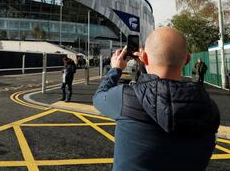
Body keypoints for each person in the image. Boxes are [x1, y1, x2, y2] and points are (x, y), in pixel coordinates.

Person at [93, 27, 219, 171]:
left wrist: (115, 69)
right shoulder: (209, 108)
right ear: (187, 59)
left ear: (144, 57)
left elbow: (98, 96)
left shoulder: (126, 97)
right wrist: (148, 61)